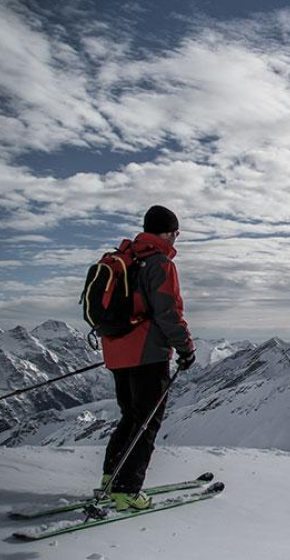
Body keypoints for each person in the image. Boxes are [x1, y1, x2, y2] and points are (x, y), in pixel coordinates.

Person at [99, 205, 196, 511]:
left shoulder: (126, 258)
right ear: (168, 232)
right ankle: (126, 490)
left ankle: (110, 479)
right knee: (146, 422)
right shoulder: (160, 264)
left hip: (115, 351)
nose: (176, 239)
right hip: (147, 355)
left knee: (130, 416)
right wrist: (185, 347)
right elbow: (169, 313)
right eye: (176, 233)